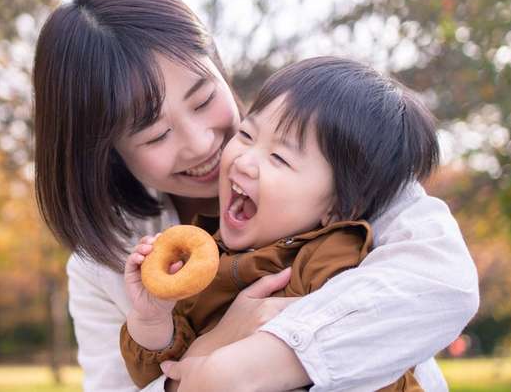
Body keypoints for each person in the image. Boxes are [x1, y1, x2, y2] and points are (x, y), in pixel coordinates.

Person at [32, 0, 479, 392]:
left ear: (220, 69)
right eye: (156, 135)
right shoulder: (107, 263)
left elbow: (442, 283)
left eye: (205, 99)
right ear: (107, 152)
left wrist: (262, 357)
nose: (202, 143)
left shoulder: (335, 155)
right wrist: (214, 345)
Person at [120, 56, 442, 391]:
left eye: (279, 158)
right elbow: (160, 376)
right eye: (246, 134)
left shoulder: (332, 266)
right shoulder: (204, 255)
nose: (244, 160)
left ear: (338, 207)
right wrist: (152, 318)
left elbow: (360, 364)